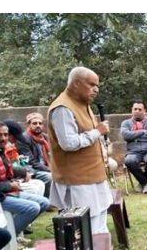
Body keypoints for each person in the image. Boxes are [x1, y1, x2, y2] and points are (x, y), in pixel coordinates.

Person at [46, 66, 112, 234]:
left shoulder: (82, 103)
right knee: (85, 223)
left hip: (93, 174)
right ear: (76, 83)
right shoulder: (63, 108)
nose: (96, 89)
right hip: (77, 180)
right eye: (91, 84)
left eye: (97, 85)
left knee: (100, 214)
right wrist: (98, 131)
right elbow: (68, 143)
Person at [0, 121, 50, 235]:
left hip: (9, 191)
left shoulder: (2, 151)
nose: (3, 138)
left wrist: (21, 172)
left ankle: (13, 232)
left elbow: (14, 168)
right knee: (32, 207)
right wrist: (10, 185)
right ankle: (9, 237)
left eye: (5, 135)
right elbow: (30, 162)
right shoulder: (10, 147)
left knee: (44, 202)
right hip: (1, 196)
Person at [120, 100, 147, 194]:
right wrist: (143, 131)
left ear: (144, 110)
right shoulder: (126, 123)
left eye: (140, 109)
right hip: (133, 151)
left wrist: (133, 135)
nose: (137, 111)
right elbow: (125, 135)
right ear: (132, 110)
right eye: (135, 109)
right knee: (129, 161)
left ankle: (142, 181)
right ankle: (145, 182)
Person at [19, 113, 52, 195]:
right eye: (34, 123)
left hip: (47, 167)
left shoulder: (45, 138)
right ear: (29, 124)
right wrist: (50, 170)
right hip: (33, 170)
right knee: (50, 177)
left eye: (40, 123)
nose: (38, 125)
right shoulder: (24, 139)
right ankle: (48, 204)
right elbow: (30, 161)